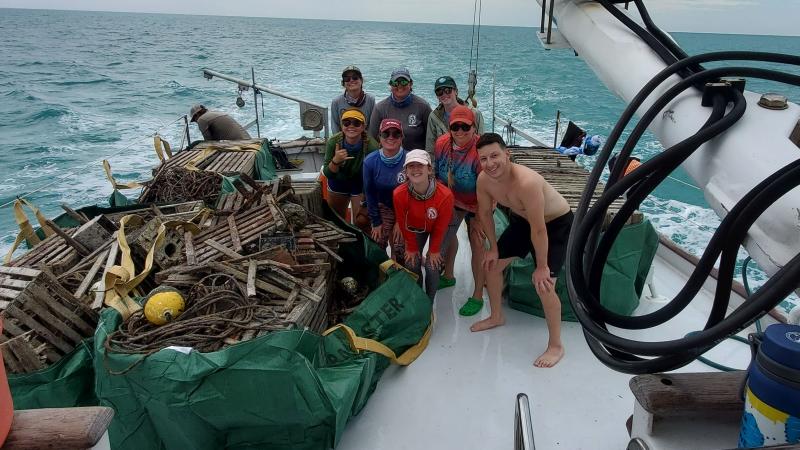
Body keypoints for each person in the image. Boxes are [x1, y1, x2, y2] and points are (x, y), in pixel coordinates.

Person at [474, 133, 573, 368]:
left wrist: (541, 267)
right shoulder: (484, 181)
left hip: (555, 223)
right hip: (521, 220)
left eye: (495, 155)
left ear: (507, 154)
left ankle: (556, 345)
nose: (490, 164)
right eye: (484, 159)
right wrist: (493, 248)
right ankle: (497, 316)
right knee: (491, 265)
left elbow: (539, 230)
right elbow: (485, 214)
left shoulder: (526, 183)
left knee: (544, 284)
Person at [433, 105, 487, 317]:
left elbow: (489, 189)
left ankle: (477, 295)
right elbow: (438, 176)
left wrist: (481, 218)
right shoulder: (441, 144)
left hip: (479, 202)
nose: (460, 131)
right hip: (452, 199)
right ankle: (448, 275)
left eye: (466, 126)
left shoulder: (480, 151)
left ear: (474, 127)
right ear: (449, 128)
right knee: (448, 232)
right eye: (456, 126)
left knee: (477, 243)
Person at [393, 150, 454, 300]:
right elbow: (403, 223)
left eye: (420, 165)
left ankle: (429, 302)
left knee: (432, 266)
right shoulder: (398, 194)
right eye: (411, 166)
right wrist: (412, 248)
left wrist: (433, 251)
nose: (415, 169)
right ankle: (418, 298)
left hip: (443, 227)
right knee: (411, 262)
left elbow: (441, 227)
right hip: (417, 226)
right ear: (405, 172)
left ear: (429, 169)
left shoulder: (445, 195)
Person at [322, 108, 380, 232]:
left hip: (360, 183)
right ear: (342, 126)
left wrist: (367, 198)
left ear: (363, 127)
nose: (351, 126)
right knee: (336, 222)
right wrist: (336, 161)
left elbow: (373, 177)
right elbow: (328, 173)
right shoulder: (333, 142)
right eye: (347, 123)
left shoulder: (372, 146)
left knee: (361, 222)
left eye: (356, 123)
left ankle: (361, 248)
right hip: (338, 180)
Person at [362, 118, 407, 259]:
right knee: (377, 243)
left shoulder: (410, 159)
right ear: (379, 138)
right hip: (383, 206)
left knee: (400, 249)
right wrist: (376, 222)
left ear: (402, 138)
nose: (391, 137)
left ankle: (399, 266)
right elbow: (369, 194)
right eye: (386, 134)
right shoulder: (370, 162)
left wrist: (400, 221)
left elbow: (414, 193)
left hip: (405, 209)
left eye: (396, 134)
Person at [368, 68, 432, 152]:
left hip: (416, 161)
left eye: (403, 82)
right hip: (390, 158)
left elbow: (431, 137)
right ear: (390, 85)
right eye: (395, 83)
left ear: (411, 83)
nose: (400, 85)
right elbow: (373, 137)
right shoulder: (380, 108)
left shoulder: (423, 106)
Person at [425, 75, 485, 152]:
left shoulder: (474, 113)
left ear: (456, 91)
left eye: (448, 90)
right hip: (445, 161)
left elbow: (482, 143)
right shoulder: (433, 117)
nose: (444, 94)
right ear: (437, 96)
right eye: (439, 92)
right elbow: (431, 149)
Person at [330, 65, 376, 135]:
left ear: (361, 81)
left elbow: (372, 126)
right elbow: (335, 126)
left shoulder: (370, 100)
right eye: (347, 79)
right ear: (343, 83)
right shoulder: (336, 102)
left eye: (355, 77)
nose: (351, 80)